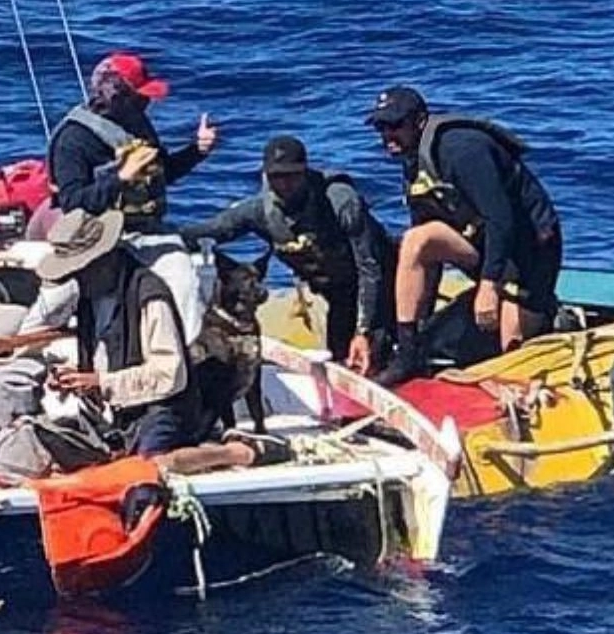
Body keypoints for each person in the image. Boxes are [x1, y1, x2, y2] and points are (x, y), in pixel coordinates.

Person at [38, 208, 292, 474]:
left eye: (82, 270)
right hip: (119, 411)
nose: (78, 280)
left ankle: (237, 452)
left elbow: (171, 375)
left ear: (103, 260)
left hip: (165, 408)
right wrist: (79, 378)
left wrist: (102, 382)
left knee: (150, 466)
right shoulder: (91, 299)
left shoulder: (149, 296)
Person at [366, 85, 563, 386]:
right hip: (481, 244)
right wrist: (419, 323)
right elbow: (426, 249)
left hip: (529, 252)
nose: (387, 135)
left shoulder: (462, 149)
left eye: (395, 125)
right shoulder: (414, 160)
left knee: (511, 347)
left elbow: (501, 219)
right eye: (381, 127)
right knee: (417, 240)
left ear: (419, 121)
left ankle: (550, 315)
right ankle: (408, 354)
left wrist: (489, 285)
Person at [180, 135, 397, 376]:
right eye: (276, 177)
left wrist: (364, 331)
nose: (284, 184)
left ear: (305, 172)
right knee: (342, 364)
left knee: (381, 361)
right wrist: (153, 235)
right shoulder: (259, 211)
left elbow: (371, 267)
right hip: (339, 297)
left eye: (292, 176)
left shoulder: (339, 200)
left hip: (383, 287)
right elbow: (208, 232)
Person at [45, 52, 218, 345]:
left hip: (149, 233)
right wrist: (121, 177)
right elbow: (73, 202)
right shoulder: (73, 140)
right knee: (107, 308)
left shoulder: (138, 125)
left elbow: (163, 175)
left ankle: (185, 362)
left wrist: (197, 151)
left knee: (186, 286)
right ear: (116, 95)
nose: (146, 104)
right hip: (98, 241)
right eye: (139, 98)